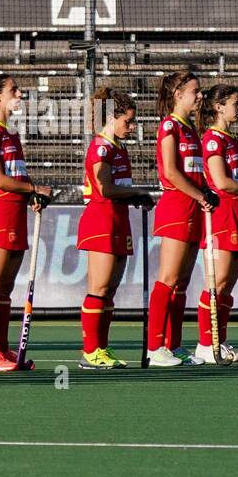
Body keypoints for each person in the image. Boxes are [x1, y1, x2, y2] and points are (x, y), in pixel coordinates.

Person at [0, 74, 54, 373]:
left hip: (15, 211)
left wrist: (30, 190)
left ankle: (1, 349)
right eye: (14, 90)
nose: (20, 94)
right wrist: (34, 189)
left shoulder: (10, 132)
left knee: (5, 288)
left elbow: (17, 176)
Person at [77, 88, 153, 369]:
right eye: (128, 122)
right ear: (111, 117)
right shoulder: (101, 146)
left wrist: (133, 196)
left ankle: (102, 348)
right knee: (98, 288)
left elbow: (118, 190)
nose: (132, 128)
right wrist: (138, 192)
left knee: (110, 290)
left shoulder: (118, 147)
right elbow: (105, 188)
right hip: (101, 219)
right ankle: (89, 350)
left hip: (118, 218)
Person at [147, 70, 216, 367]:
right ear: (178, 94)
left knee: (182, 283)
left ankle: (173, 346)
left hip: (194, 207)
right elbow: (172, 173)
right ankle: (154, 347)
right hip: (178, 206)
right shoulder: (170, 126)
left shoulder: (190, 128)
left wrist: (205, 193)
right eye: (195, 91)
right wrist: (201, 195)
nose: (200, 96)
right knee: (168, 278)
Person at [196, 84, 238, 363]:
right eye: (235, 103)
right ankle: (205, 344)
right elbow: (221, 182)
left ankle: (218, 342)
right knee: (217, 282)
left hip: (237, 214)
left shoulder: (232, 140)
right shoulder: (214, 140)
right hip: (222, 215)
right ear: (219, 106)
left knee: (228, 285)